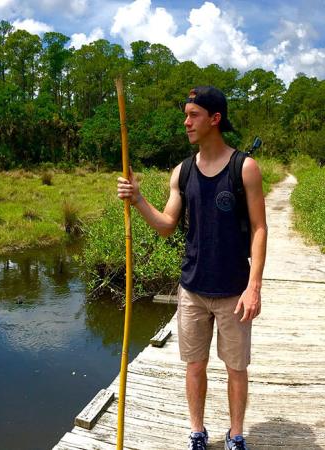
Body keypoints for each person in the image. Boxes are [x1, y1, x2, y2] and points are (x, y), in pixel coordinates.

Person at [116, 86, 267, 450]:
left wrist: (254, 286)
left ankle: (235, 435)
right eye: (185, 115)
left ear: (215, 119)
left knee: (236, 368)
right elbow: (168, 224)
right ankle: (197, 432)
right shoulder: (181, 172)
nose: (186, 122)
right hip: (193, 289)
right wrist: (137, 199)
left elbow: (260, 228)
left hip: (234, 289)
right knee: (194, 365)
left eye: (193, 114)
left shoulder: (243, 167)